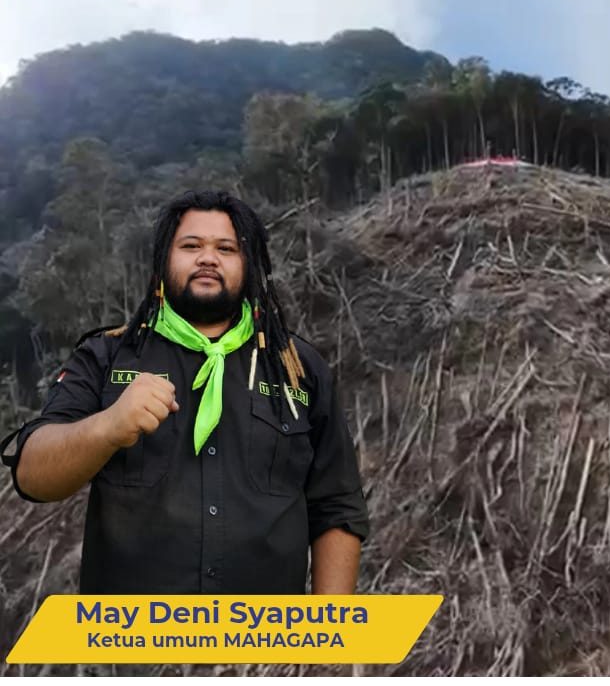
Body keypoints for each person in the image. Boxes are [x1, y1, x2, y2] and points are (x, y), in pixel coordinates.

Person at [5, 191, 369, 594]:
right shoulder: (107, 355)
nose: (208, 258)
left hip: (265, 647)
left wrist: (327, 637)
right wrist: (107, 427)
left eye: (226, 249)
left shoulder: (300, 369)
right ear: (164, 260)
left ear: (249, 266)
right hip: (130, 644)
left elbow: (336, 507)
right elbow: (32, 475)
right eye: (191, 246)